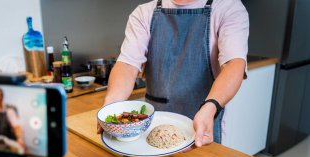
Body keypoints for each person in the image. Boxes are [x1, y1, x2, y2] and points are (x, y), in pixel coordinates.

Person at [98, 0, 249, 149]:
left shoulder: (228, 7)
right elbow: (127, 64)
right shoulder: (144, 13)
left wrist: (211, 106)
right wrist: (110, 105)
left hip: (203, 125)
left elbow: (233, 65)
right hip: (152, 131)